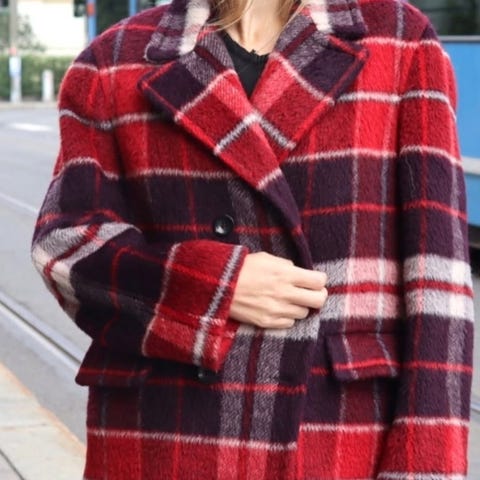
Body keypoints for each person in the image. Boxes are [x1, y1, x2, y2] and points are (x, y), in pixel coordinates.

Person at [31, 0, 474, 478]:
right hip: (163, 437)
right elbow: (64, 245)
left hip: (337, 436)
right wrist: (211, 287)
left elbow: (438, 283)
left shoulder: (399, 41)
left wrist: (426, 467)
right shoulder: (113, 59)